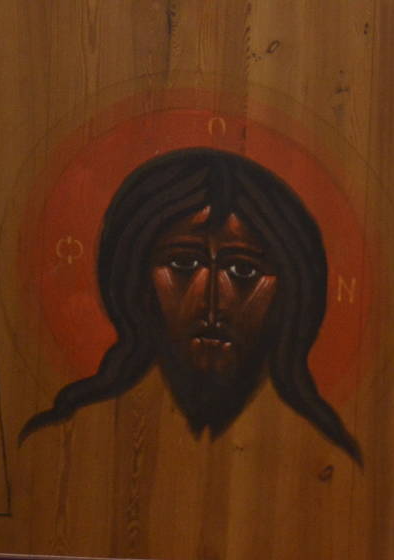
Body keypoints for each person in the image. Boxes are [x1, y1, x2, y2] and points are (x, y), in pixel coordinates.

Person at [19, 148, 360, 460]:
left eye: (243, 270)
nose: (212, 302)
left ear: (292, 291)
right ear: (136, 280)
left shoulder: (325, 460)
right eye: (183, 264)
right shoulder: (63, 444)